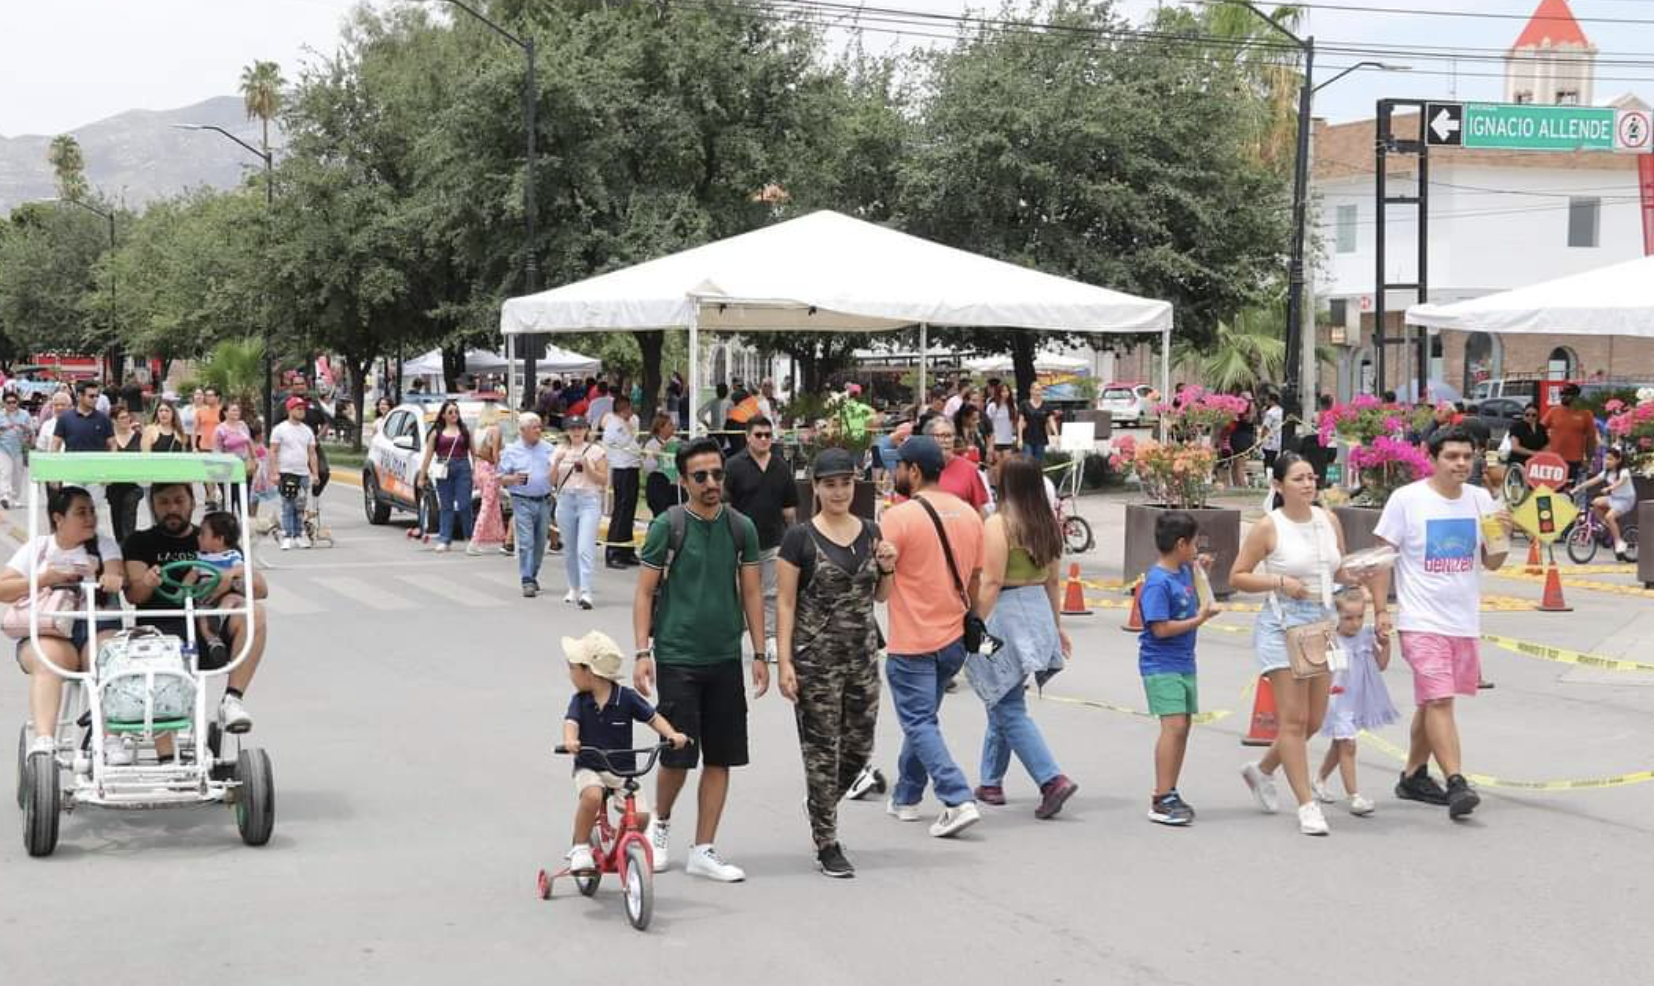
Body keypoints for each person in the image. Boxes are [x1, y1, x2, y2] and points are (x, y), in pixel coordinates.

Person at [632, 436, 766, 882]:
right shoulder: (668, 526)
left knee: (721, 756)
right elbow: (645, 592)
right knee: (677, 752)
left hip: (725, 656)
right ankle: (661, 827)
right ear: (684, 480)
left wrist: (761, 653)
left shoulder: (740, 527)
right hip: (677, 655)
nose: (711, 483)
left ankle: (704, 848)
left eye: (717, 474)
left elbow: (751, 591)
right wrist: (641, 652)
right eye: (701, 476)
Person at [1369, 426, 1511, 820]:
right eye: (1452, 456)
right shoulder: (1407, 500)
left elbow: (1492, 561)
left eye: (1467, 456)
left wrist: (1503, 533)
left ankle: (1413, 775)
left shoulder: (1481, 499)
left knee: (1432, 701)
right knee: (1440, 699)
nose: (1461, 464)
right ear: (1432, 458)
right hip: (1420, 619)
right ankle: (1456, 782)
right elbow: (1383, 559)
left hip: (1463, 621)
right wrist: (1380, 611)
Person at [773, 448, 891, 877]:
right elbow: (785, 603)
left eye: (845, 483)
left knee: (859, 748)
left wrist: (888, 568)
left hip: (862, 657)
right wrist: (783, 662)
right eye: (830, 484)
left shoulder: (872, 531)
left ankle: (820, 801)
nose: (839, 491)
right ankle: (827, 840)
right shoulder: (800, 538)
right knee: (822, 750)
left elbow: (880, 598)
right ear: (816, 488)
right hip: (815, 660)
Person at [1232, 451, 1354, 836]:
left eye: (1312, 477)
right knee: (1293, 719)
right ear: (1279, 485)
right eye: (1299, 478)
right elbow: (1238, 576)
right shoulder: (1269, 527)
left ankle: (1263, 770)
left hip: (1321, 624)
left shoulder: (1328, 519)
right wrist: (1280, 582)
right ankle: (1306, 804)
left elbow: (1341, 567)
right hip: (1281, 625)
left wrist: (1363, 576)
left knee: (1314, 720)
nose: (1308, 484)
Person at [879, 435, 984, 838]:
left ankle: (956, 797)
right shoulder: (969, 515)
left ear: (915, 471)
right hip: (954, 637)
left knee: (919, 721)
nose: (894, 474)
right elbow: (976, 576)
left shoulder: (899, 518)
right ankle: (906, 796)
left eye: (898, 467)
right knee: (924, 720)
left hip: (912, 640)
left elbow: (880, 579)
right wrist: (971, 618)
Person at [969, 456, 1078, 819]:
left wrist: (973, 625)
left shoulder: (999, 523)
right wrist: (1057, 626)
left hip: (1004, 614)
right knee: (1004, 694)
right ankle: (991, 781)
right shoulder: (1048, 523)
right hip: (1037, 613)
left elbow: (992, 580)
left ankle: (1051, 779)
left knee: (1006, 703)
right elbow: (1052, 581)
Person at [123, 483, 267, 734]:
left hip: (212, 623)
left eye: (179, 501)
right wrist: (147, 582)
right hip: (161, 632)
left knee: (255, 613)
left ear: (192, 502)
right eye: (164, 503)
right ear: (153, 506)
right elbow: (134, 594)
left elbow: (260, 588)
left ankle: (232, 700)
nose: (172, 509)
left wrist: (229, 579)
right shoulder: (140, 542)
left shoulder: (214, 536)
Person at [3, 487, 124, 761]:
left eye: (92, 511)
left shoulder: (104, 546)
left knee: (107, 658)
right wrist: (45, 579)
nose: (90, 518)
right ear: (59, 518)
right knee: (47, 661)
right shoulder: (38, 548)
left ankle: (110, 737)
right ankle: (45, 739)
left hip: (97, 626)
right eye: (81, 512)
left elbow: (116, 570)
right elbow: (3, 589)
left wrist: (111, 578)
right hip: (51, 629)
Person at [560, 630, 688, 875]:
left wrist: (672, 735)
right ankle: (580, 846)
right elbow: (571, 723)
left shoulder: (626, 698)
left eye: (572, 667)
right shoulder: (580, 700)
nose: (569, 673)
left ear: (589, 671)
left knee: (640, 816)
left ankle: (619, 849)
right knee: (592, 797)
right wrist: (570, 741)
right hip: (590, 766)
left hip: (622, 770)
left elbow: (653, 717)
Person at [1134, 511, 1219, 826]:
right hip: (1161, 664)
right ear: (1181, 544)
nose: (1198, 548)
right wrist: (1200, 620)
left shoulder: (1185, 570)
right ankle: (1160, 796)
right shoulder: (1157, 582)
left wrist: (1202, 571)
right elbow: (1160, 629)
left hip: (1185, 661)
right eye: (1195, 543)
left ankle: (1170, 789)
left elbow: (1193, 587)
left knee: (1184, 727)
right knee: (1173, 727)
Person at [1312, 590, 1397, 816]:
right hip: (1337, 699)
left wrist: (1386, 644)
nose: (1355, 623)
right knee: (1348, 744)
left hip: (1358, 697)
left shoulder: (1368, 635)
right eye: (1348, 618)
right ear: (1336, 616)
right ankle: (1354, 796)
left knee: (1340, 744)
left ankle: (1319, 779)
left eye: (1360, 616)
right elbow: (1328, 672)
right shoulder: (1331, 639)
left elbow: (1381, 665)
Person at [723, 416, 799, 652]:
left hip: (772, 540)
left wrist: (792, 537)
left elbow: (789, 509)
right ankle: (730, 638)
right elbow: (724, 504)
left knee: (771, 592)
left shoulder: (781, 467)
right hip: (738, 542)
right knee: (735, 592)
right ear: (748, 437)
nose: (764, 439)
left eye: (768, 435)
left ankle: (769, 640)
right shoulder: (733, 465)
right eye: (759, 435)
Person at [552, 415, 608, 608]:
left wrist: (588, 468)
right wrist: (557, 463)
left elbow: (603, 480)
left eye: (580, 427)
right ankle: (573, 587)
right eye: (572, 427)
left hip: (588, 500)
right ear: (567, 430)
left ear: (587, 430)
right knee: (569, 548)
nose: (576, 431)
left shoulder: (596, 451)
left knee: (584, 547)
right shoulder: (560, 450)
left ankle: (586, 591)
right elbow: (551, 480)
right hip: (566, 499)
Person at [499, 413, 555, 597]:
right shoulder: (511, 450)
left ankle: (533, 574)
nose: (538, 430)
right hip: (522, 500)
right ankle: (527, 579)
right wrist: (513, 478)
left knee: (540, 543)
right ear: (522, 431)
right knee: (526, 542)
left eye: (539, 426)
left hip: (545, 500)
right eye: (534, 427)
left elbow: (558, 471)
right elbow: (500, 478)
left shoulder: (548, 449)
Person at [418, 400, 474, 554]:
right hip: (443, 469)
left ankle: (470, 537)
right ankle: (445, 539)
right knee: (446, 505)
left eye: (456, 411)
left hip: (463, 468)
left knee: (465, 504)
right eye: (450, 412)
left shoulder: (464, 431)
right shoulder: (436, 433)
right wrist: (421, 477)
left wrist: (476, 472)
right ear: (443, 415)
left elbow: (473, 453)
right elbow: (428, 456)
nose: (454, 414)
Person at [192, 510, 245, 667]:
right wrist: (184, 589)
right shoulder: (201, 557)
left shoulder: (232, 555)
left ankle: (220, 615)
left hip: (225, 595)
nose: (198, 537)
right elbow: (192, 574)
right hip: (206, 596)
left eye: (202, 534)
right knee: (202, 616)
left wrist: (229, 575)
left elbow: (242, 568)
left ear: (219, 539)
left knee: (233, 598)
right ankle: (214, 643)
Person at [269, 397, 321, 550]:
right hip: (286, 472)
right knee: (287, 504)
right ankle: (287, 535)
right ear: (290, 410)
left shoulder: (307, 430)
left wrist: (315, 474)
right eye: (298, 408)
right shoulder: (280, 429)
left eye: (303, 408)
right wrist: (274, 472)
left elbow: (312, 453)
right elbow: (273, 451)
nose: (301, 411)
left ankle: (299, 535)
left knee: (300, 506)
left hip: (302, 473)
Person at [601, 395, 643, 568]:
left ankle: (627, 549)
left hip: (631, 467)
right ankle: (614, 552)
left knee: (629, 512)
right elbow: (626, 442)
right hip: (622, 469)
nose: (631, 411)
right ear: (622, 408)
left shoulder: (628, 423)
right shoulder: (615, 425)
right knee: (621, 511)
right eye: (628, 408)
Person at [1577, 445, 1637, 561]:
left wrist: (1610, 488)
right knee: (1595, 502)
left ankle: (1619, 542)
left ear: (1618, 460)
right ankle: (1607, 526)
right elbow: (1593, 481)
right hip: (1614, 498)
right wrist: (1579, 487)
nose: (1607, 461)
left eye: (1610, 459)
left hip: (1626, 500)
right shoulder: (1606, 472)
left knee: (1610, 516)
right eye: (1606, 458)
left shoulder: (1624, 471)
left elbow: (1620, 482)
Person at [923, 416, 989, 515]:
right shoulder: (918, 469)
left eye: (949, 436)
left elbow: (980, 510)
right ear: (928, 439)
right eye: (940, 436)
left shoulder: (969, 470)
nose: (945, 440)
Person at [469, 416, 509, 556]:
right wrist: (501, 470)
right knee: (487, 505)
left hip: (478, 468)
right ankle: (475, 540)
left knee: (493, 504)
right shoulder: (495, 430)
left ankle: (503, 539)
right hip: (490, 469)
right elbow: (495, 454)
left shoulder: (476, 431)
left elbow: (474, 453)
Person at [1543, 383, 1597, 486]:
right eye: (1561, 394)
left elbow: (1591, 439)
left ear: (1576, 396)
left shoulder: (1586, 413)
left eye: (1567, 394)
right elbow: (1539, 431)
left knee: (1569, 492)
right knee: (1552, 489)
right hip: (1554, 460)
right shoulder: (1553, 411)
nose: (1563, 397)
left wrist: (1589, 460)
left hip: (1574, 461)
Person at [105, 405, 144, 544]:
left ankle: (129, 547)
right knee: (117, 521)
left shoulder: (138, 437)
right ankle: (121, 547)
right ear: (114, 421)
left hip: (133, 484)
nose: (126, 420)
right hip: (114, 485)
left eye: (127, 417)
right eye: (122, 418)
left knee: (129, 518)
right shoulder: (110, 439)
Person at [211, 402, 255, 513]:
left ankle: (244, 525)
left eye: (237, 410)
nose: (236, 413)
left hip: (243, 467)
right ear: (225, 412)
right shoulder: (220, 429)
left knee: (243, 498)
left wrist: (253, 459)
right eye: (233, 410)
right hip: (227, 469)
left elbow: (249, 442)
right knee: (229, 499)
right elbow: (216, 450)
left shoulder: (243, 425)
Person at [52, 380, 115, 453]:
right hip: (72, 463)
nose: (95, 399)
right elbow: (55, 445)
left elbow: (112, 444)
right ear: (79, 396)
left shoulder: (104, 419)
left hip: (97, 463)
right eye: (91, 396)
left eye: (97, 396)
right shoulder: (65, 419)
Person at [642, 412, 681, 518]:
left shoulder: (678, 443)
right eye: (670, 425)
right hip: (658, 483)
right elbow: (647, 468)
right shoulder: (651, 445)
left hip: (675, 484)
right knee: (661, 515)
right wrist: (657, 455)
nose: (673, 427)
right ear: (661, 427)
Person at [0, 391, 33, 508]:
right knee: (5, 472)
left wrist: (25, 429)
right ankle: (5, 496)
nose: (11, 405)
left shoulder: (25, 415)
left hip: (19, 448)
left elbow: (31, 432)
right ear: (4, 403)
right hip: (3, 448)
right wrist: (3, 429)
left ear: (17, 402)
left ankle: (14, 499)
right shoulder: (0, 415)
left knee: (17, 475)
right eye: (8, 402)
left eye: (14, 402)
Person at [1018, 382, 1058, 462]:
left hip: (1040, 438)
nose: (1037, 392)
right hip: (1027, 438)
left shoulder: (1047, 405)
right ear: (1031, 391)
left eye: (1039, 390)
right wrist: (1020, 439)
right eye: (1036, 390)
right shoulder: (1024, 404)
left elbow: (1051, 420)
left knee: (1038, 463)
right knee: (1028, 462)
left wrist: (1056, 434)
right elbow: (1020, 422)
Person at [1505, 404, 1548, 469]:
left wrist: (1542, 453)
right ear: (1523, 415)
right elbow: (1515, 447)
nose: (1530, 417)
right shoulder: (1516, 427)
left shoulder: (1541, 428)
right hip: (1519, 461)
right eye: (1527, 415)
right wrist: (1533, 453)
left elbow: (1547, 444)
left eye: (1534, 415)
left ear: (1538, 416)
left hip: (1537, 462)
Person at [1227, 397, 1257, 488]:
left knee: (1237, 464)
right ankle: (1242, 485)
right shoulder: (1244, 415)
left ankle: (1237, 484)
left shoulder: (1240, 415)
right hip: (1241, 439)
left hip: (1238, 437)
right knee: (1240, 465)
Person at [985, 382, 1018, 463]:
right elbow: (987, 424)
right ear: (998, 392)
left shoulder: (1013, 406)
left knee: (1007, 464)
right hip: (995, 440)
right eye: (1002, 391)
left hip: (1008, 440)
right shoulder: (992, 406)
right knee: (997, 464)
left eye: (1007, 391)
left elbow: (1014, 423)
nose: (1005, 393)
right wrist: (989, 443)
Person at [1259, 392, 1284, 474]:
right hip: (1279, 440)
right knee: (1275, 462)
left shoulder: (1270, 413)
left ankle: (1268, 479)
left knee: (1268, 462)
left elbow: (1266, 427)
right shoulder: (1281, 411)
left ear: (1272, 401)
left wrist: (1261, 439)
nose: (1266, 402)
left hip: (1270, 441)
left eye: (1267, 400)